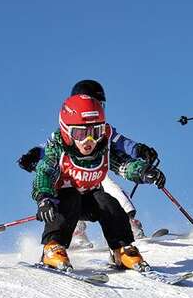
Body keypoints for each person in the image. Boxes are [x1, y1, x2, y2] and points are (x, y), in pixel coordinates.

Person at [32, 94, 166, 271]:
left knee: (108, 202)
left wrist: (144, 171)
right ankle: (52, 247)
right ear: (66, 131)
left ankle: (121, 248)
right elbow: (44, 173)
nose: (89, 141)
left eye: (95, 133)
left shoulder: (102, 149)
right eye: (80, 134)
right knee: (70, 197)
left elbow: (125, 165)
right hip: (62, 202)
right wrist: (44, 198)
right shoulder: (58, 149)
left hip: (89, 200)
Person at [18, 80, 158, 247]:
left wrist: (140, 152)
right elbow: (50, 150)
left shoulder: (103, 129)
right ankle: (75, 231)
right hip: (70, 176)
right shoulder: (67, 132)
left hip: (97, 168)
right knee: (68, 195)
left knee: (108, 194)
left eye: (100, 104)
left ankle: (128, 224)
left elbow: (121, 144)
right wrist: (33, 155)